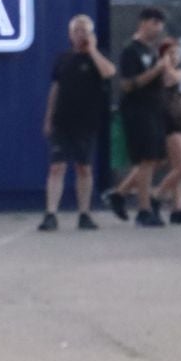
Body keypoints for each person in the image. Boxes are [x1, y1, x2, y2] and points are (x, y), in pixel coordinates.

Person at [42, 14, 117, 232]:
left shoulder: (97, 57)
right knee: (57, 167)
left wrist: (92, 50)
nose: (80, 34)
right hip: (61, 121)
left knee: (83, 167)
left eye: (84, 30)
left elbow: (109, 72)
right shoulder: (62, 59)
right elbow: (55, 89)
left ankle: (84, 213)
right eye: (76, 31)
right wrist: (48, 117)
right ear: (70, 34)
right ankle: (51, 213)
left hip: (86, 121)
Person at [110, 7, 172, 226]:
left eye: (160, 23)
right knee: (146, 159)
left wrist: (167, 72)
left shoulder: (152, 50)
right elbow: (127, 84)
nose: (158, 28)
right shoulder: (131, 51)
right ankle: (144, 209)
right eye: (154, 22)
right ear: (143, 23)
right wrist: (156, 71)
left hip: (155, 109)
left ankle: (119, 194)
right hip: (138, 111)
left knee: (155, 159)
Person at [144, 38, 181, 225]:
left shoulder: (178, 71)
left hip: (180, 120)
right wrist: (164, 63)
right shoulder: (161, 73)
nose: (174, 57)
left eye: (176, 53)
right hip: (167, 123)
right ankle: (156, 196)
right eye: (170, 53)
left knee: (178, 167)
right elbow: (171, 79)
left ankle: (178, 208)